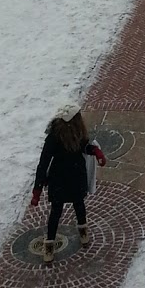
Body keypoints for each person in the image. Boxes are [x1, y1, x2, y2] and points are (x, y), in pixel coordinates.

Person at [30, 102, 107, 264]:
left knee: (78, 206)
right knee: (57, 211)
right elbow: (43, 162)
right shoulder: (54, 137)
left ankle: (83, 232)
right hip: (60, 178)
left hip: (75, 175)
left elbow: (84, 146)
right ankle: (49, 244)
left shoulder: (78, 132)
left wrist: (95, 151)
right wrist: (37, 189)